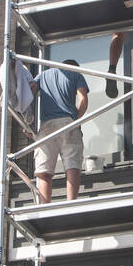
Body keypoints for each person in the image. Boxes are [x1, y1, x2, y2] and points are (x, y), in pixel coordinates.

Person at [31, 59, 89, 202]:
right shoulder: (76, 75)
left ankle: (44, 205)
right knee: (72, 164)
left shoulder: (43, 76)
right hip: (67, 122)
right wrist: (76, 118)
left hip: (46, 125)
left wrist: (29, 124)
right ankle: (71, 202)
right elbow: (83, 100)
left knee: (44, 170)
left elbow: (28, 95)